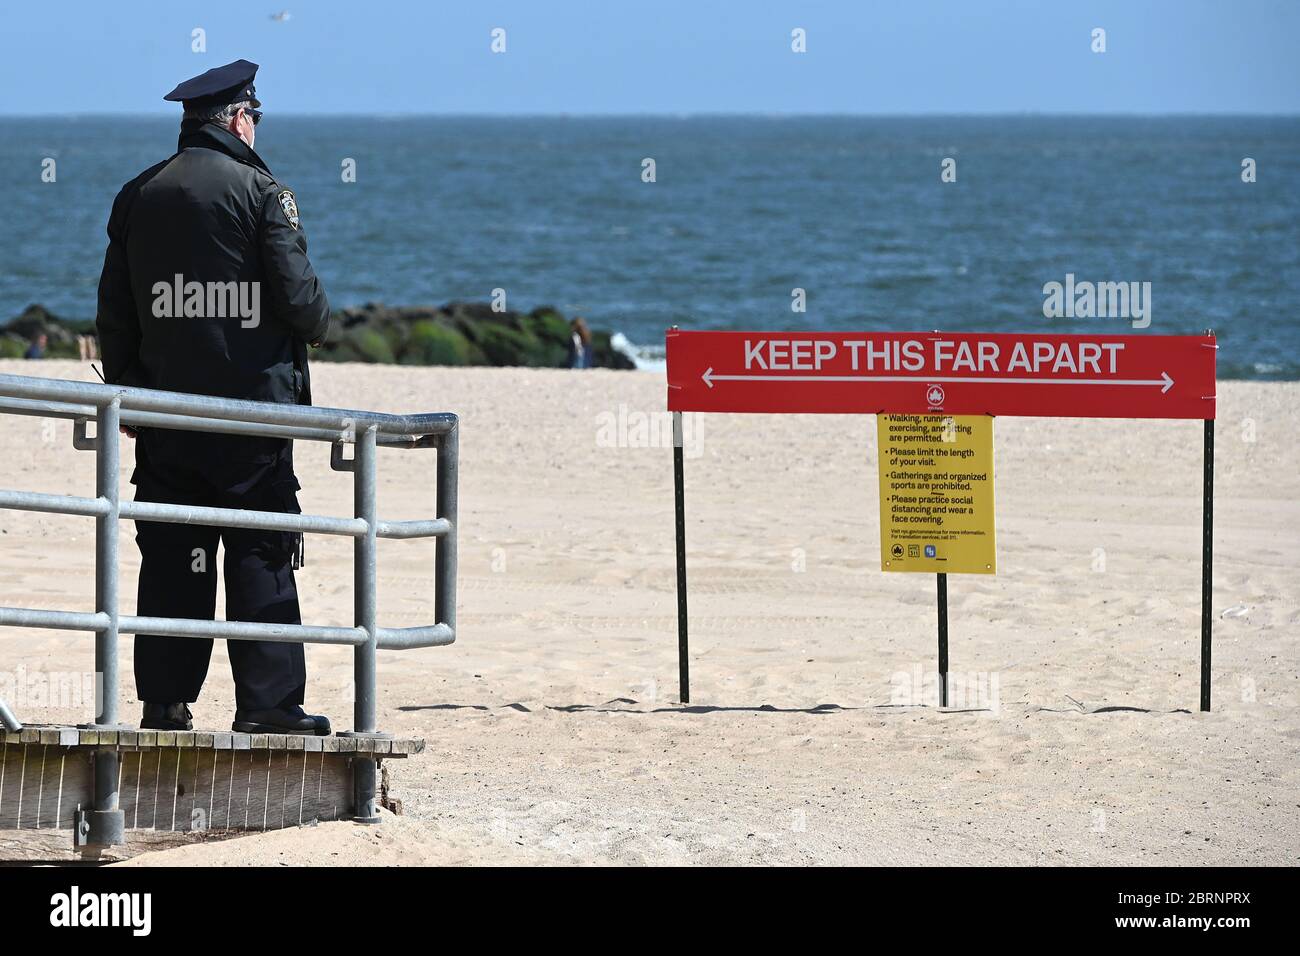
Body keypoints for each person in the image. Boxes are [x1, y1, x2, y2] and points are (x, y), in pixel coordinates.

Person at [95, 60, 332, 735]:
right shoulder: (263, 194)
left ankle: (165, 706)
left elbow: (116, 313)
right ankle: (268, 707)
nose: (257, 128)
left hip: (166, 417)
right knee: (261, 554)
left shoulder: (138, 193)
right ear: (236, 118)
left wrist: (128, 396)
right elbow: (302, 306)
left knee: (173, 559)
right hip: (250, 419)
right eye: (255, 115)